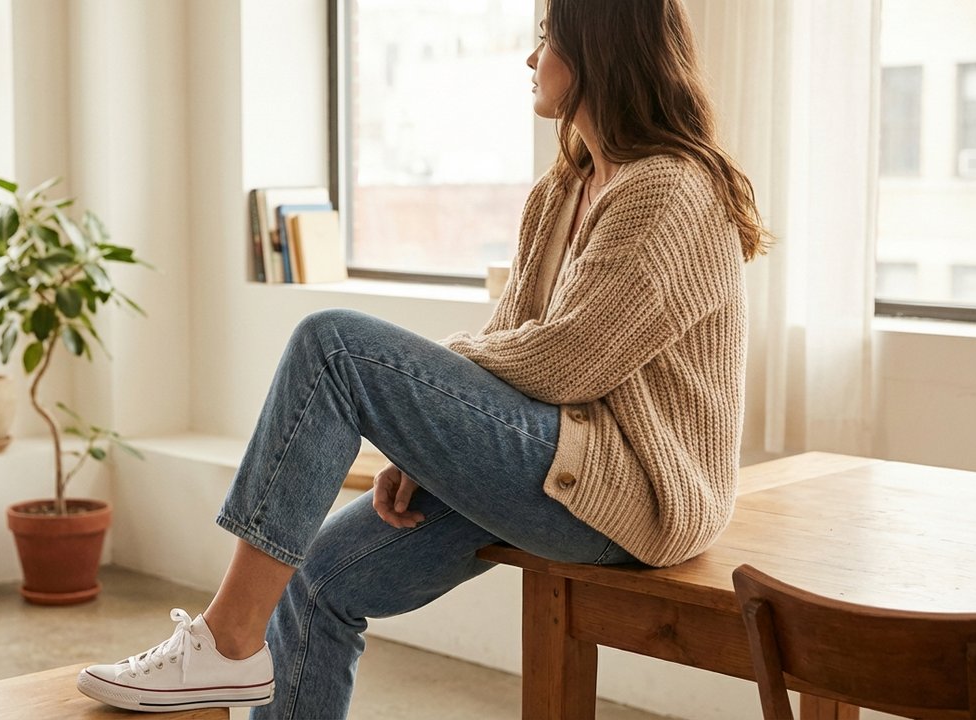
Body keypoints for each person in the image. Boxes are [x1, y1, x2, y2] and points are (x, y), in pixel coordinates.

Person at [77, 0, 767, 716]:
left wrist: (426, 398)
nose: (532, 59)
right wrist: (425, 438)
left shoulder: (670, 188)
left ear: (599, 48)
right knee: (315, 579)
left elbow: (567, 362)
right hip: (555, 461)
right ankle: (237, 650)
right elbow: (514, 333)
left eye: (546, 38)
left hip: (635, 494)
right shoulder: (562, 189)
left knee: (333, 346)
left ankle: (225, 644)